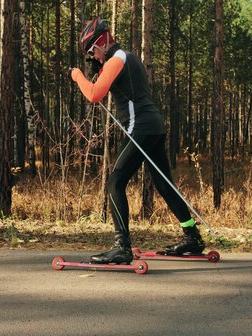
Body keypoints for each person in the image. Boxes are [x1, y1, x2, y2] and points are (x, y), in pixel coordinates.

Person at [69, 17, 205, 264]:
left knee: (114, 183)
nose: (94, 58)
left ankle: (122, 246)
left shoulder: (117, 58)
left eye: (92, 52)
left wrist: (78, 75)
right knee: (164, 185)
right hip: (154, 126)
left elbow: (94, 94)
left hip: (140, 129)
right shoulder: (127, 58)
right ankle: (192, 237)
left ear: (101, 41)